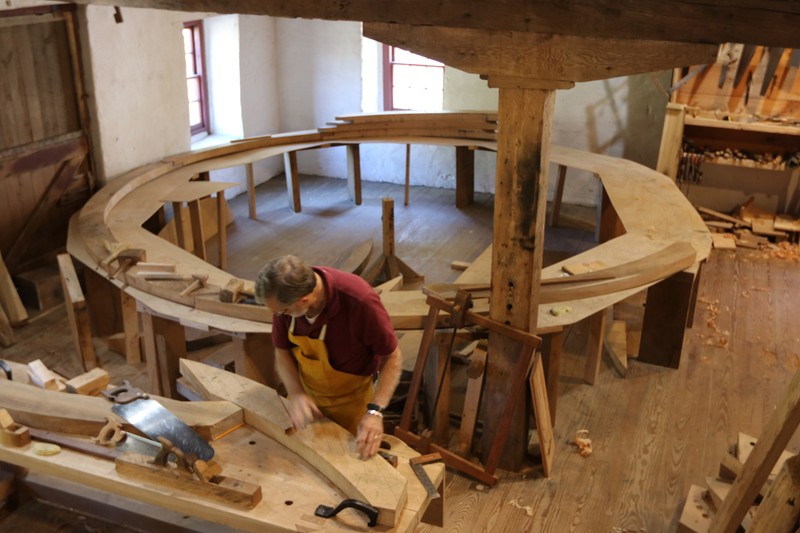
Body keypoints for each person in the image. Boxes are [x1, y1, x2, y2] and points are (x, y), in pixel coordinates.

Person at [254, 255, 402, 460]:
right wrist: (296, 393)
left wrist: (375, 412)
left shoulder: (359, 301)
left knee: (349, 466)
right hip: (306, 399)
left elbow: (392, 357)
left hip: (351, 403)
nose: (279, 316)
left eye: (283, 312)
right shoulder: (286, 300)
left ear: (304, 300)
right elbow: (282, 351)